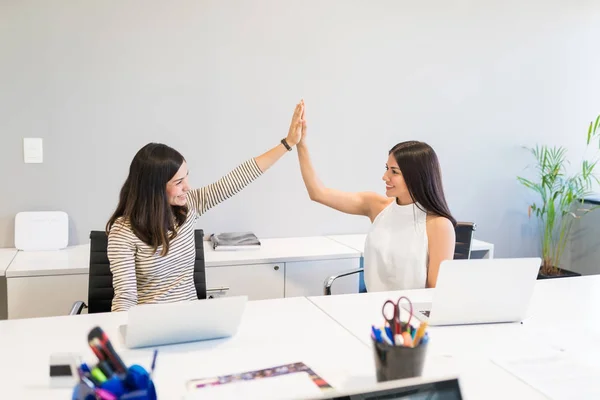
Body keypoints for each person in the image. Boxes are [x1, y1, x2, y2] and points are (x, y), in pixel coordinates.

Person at [106, 101, 305, 311]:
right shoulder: (123, 233)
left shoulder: (188, 206)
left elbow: (236, 179)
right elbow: (125, 300)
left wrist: (288, 143)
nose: (187, 187)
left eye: (186, 177)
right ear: (154, 189)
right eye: (178, 182)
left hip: (192, 321)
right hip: (150, 327)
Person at [296, 100, 456, 291]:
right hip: (371, 309)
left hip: (409, 316)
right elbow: (318, 193)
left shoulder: (439, 225)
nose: (385, 177)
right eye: (387, 168)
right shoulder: (377, 206)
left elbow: (436, 291)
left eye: (394, 172)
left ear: (416, 177)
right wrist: (301, 145)